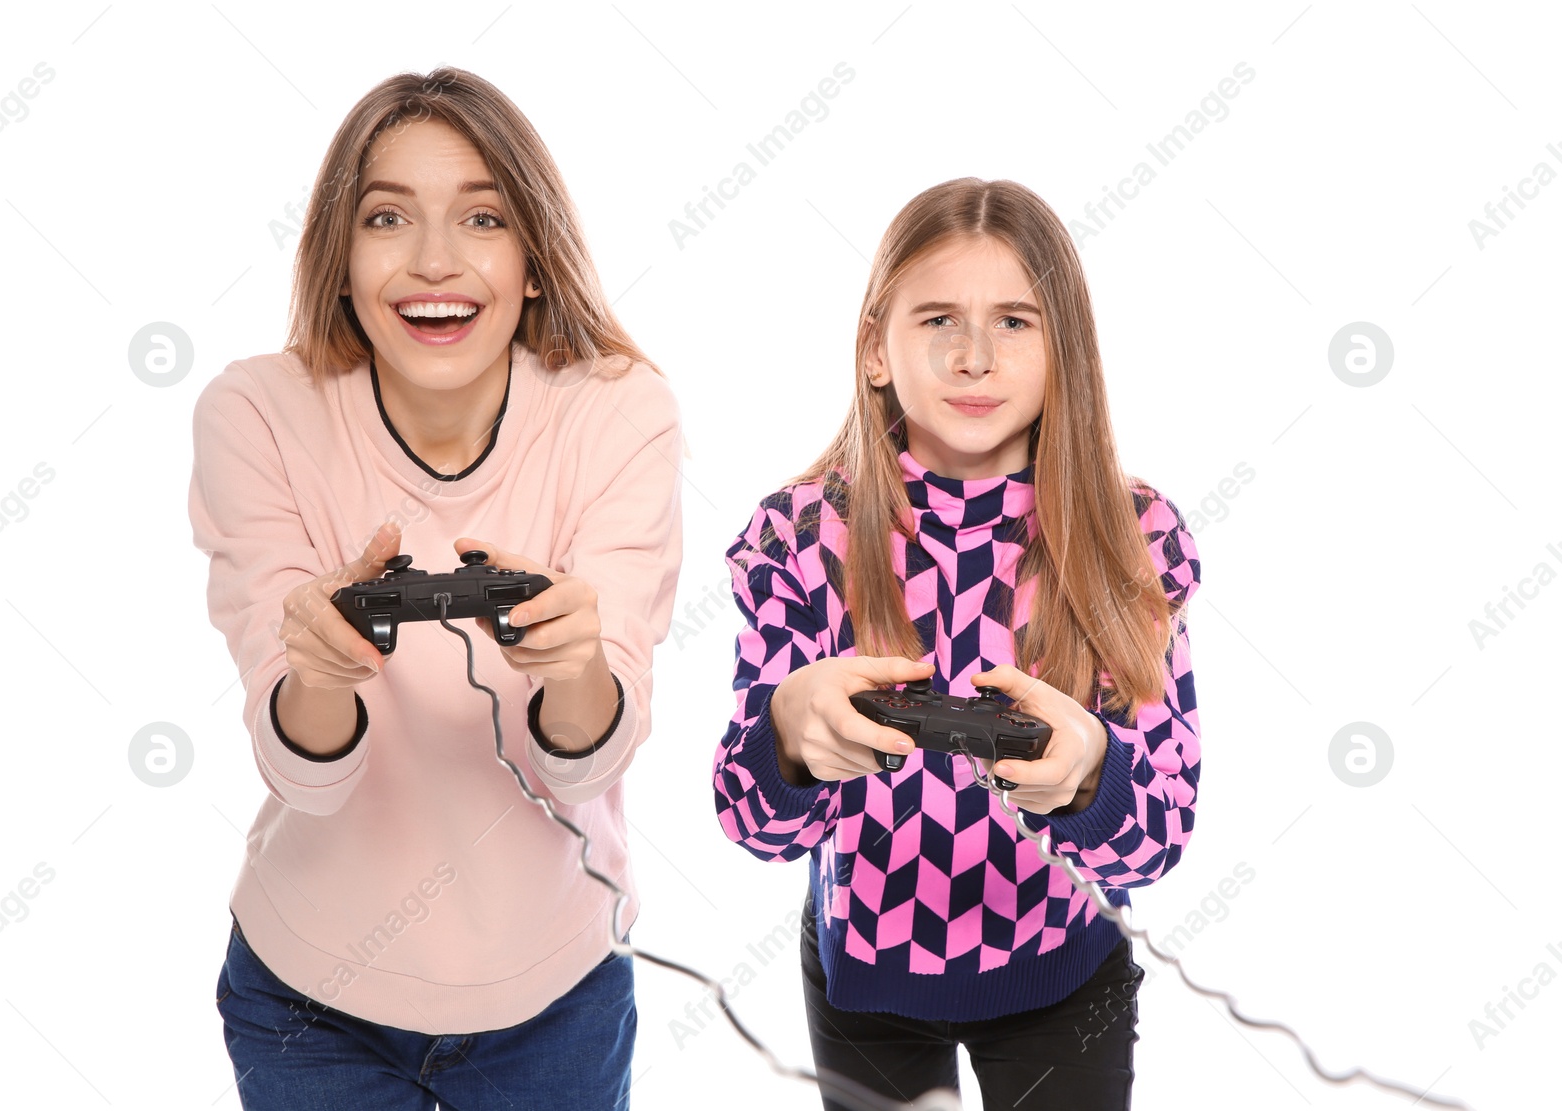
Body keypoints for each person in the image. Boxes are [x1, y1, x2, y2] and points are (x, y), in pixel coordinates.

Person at [189, 66, 683, 1110]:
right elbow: (308, 774)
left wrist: (576, 666)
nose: (433, 263)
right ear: (338, 259)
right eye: (386, 218)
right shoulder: (255, 413)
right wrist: (319, 669)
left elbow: (592, 756)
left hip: (557, 993)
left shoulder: (619, 413)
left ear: (535, 260)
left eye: (483, 218)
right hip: (309, 995)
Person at [712, 177, 1202, 1110]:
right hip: (866, 981)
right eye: (938, 318)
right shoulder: (798, 534)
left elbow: (1162, 833)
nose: (975, 357)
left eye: (1016, 322)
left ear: (1067, 350)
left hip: (1065, 975)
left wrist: (1093, 769)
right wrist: (786, 734)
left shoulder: (1133, 535)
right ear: (875, 350)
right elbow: (750, 822)